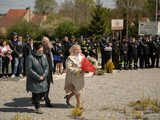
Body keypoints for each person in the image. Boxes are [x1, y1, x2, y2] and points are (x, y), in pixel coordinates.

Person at [26, 43, 49, 114]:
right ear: (36, 49)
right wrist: (38, 77)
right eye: (40, 48)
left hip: (43, 78)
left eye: (42, 48)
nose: (42, 50)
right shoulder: (30, 57)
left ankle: (34, 100)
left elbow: (47, 67)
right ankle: (37, 108)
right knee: (36, 93)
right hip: (34, 79)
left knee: (43, 93)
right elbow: (29, 69)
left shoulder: (44, 56)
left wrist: (44, 75)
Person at [64, 44, 85, 109]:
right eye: (76, 49)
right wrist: (78, 70)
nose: (78, 50)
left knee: (77, 90)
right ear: (73, 50)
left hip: (81, 76)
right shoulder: (70, 58)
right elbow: (69, 67)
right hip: (73, 76)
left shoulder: (82, 56)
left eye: (79, 49)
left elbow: (85, 64)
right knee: (77, 90)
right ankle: (79, 104)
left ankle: (68, 97)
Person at [42, 36, 54, 107]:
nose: (48, 42)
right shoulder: (41, 48)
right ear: (44, 42)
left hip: (49, 69)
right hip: (43, 69)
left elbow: (52, 56)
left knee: (48, 84)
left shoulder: (49, 48)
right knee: (42, 84)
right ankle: (45, 97)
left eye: (48, 41)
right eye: (47, 41)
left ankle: (46, 98)